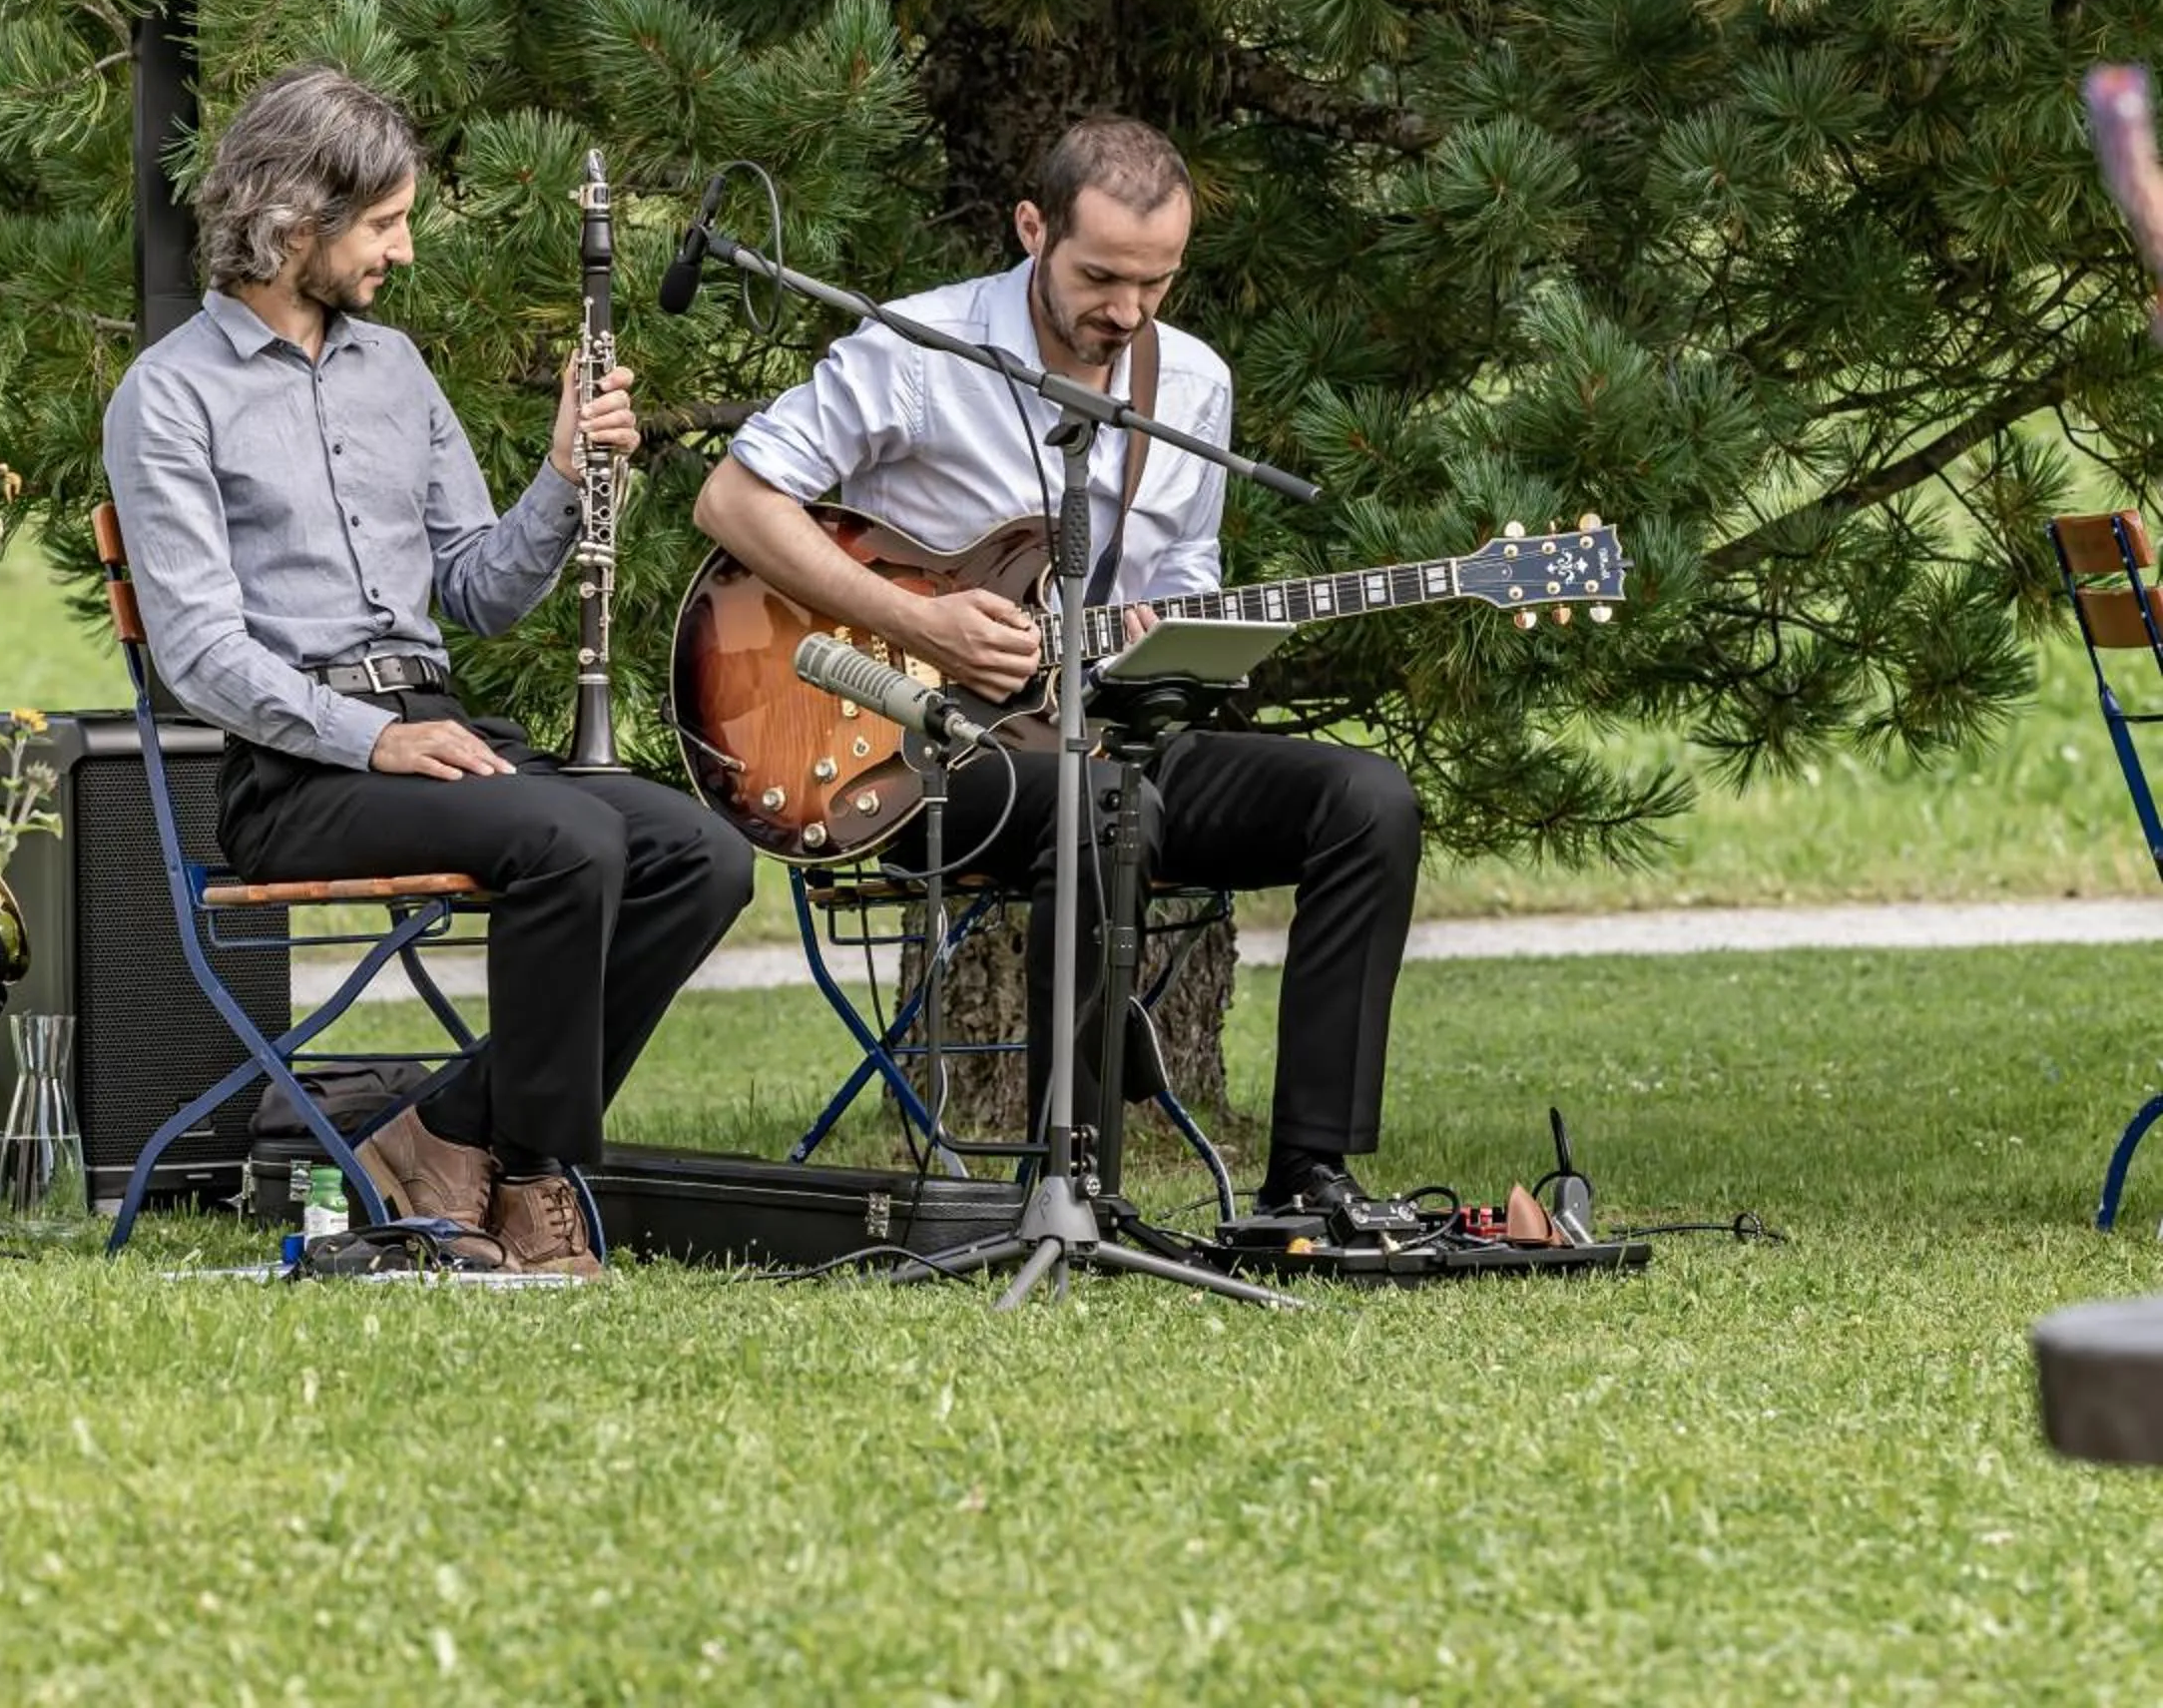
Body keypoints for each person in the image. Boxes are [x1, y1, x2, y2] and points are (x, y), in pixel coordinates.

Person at [691, 113, 1419, 1216]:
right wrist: (917, 622)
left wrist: (1178, 640)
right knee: (1104, 799)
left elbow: (1180, 578)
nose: (1126, 311)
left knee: (1367, 800)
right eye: (1101, 276)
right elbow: (733, 500)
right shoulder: (915, 352)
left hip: (1103, 727)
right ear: (1032, 229)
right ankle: (1068, 1177)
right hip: (903, 745)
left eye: (1157, 283)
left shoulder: (1193, 385)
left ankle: (1310, 1176)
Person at [104, 66, 757, 1276]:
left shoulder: (394, 369)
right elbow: (197, 656)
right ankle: (534, 1173)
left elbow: (477, 588)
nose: (401, 252)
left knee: (701, 855)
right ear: (295, 218)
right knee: (567, 839)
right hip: (296, 774)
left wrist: (564, 475)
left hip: (441, 737)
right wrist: (374, 741)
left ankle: (453, 1135)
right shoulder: (170, 397)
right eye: (384, 224)